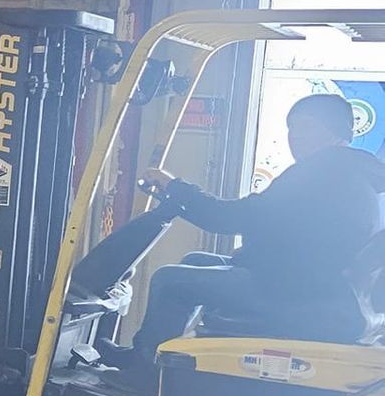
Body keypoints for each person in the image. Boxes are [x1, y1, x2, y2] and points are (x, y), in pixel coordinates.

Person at [124, 91, 385, 370]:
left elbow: (231, 217)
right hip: (315, 286)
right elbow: (282, 232)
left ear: (335, 131)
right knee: (196, 261)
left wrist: (174, 187)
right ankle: (166, 361)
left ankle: (145, 374)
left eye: (306, 126)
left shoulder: (324, 173)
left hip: (299, 294)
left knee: (170, 280)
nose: (295, 136)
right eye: (291, 128)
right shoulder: (352, 172)